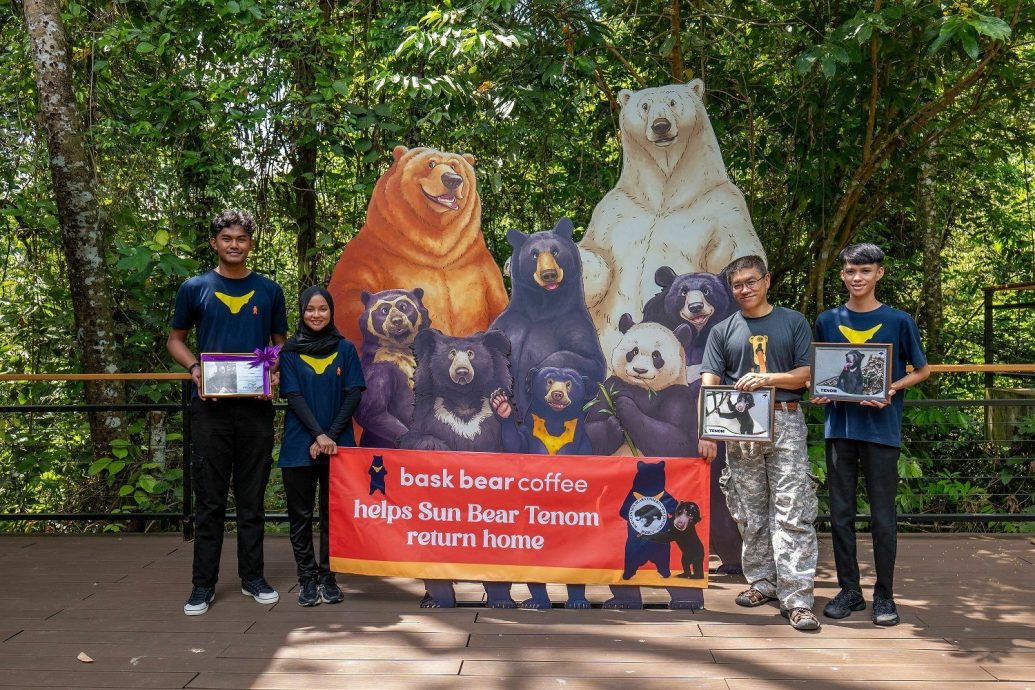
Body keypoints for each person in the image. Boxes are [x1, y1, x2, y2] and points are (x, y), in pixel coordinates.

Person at [168, 209, 288, 616]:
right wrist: (195, 368)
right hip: (210, 409)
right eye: (226, 238)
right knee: (210, 500)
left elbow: (279, 343)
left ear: (250, 242)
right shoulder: (195, 287)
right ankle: (203, 585)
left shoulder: (269, 290)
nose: (234, 244)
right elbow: (176, 340)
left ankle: (253, 577)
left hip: (255, 409)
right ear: (214, 242)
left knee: (251, 498)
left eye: (241, 238)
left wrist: (270, 366)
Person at [698, 255, 820, 631]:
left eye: (751, 282)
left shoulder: (793, 322)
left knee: (791, 507)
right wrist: (707, 430)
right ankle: (762, 582)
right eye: (737, 285)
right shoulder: (723, 330)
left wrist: (766, 379)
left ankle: (797, 597)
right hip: (739, 425)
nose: (745, 290)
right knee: (748, 509)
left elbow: (805, 375)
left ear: (766, 281)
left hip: (785, 418)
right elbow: (709, 379)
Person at [813, 243, 929, 626]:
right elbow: (824, 366)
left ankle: (885, 595)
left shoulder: (899, 320)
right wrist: (821, 388)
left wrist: (892, 388)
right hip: (839, 428)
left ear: (879, 272)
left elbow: (921, 370)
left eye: (864, 271)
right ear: (842, 274)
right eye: (849, 271)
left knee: (882, 516)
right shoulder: (828, 319)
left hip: (881, 429)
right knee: (841, 513)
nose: (856, 278)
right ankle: (850, 590)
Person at [278, 287, 365, 606]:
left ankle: (329, 577)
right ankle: (306, 579)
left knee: (334, 515)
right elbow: (294, 396)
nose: (316, 315)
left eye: (322, 309)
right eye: (310, 310)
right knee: (299, 515)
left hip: (338, 445)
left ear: (331, 312)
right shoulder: (288, 351)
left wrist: (329, 436)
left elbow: (354, 393)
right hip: (299, 443)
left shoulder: (345, 349)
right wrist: (319, 436)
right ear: (301, 313)